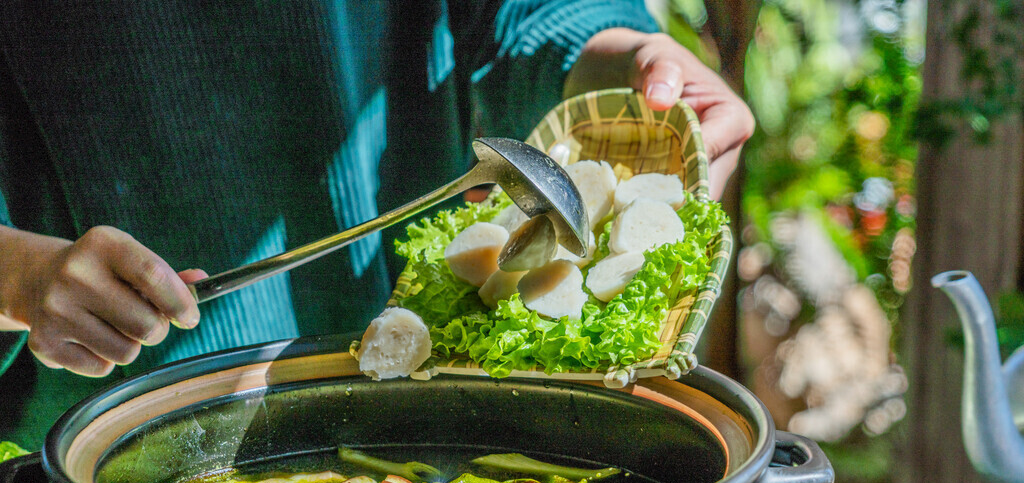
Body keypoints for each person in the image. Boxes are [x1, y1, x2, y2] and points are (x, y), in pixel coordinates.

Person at [0, 1, 753, 448]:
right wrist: (20, 275)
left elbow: (522, 10)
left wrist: (629, 61)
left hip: (417, 394)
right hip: (103, 446)